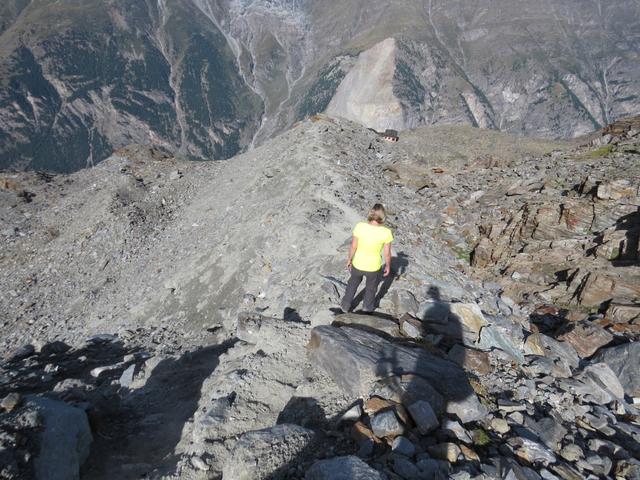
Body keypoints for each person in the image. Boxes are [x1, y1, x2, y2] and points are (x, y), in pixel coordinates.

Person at [340, 203, 393, 313]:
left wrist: (349, 259)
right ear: (383, 216)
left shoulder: (360, 226)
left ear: (371, 213)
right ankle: (367, 308)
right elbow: (387, 253)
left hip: (358, 263)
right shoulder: (386, 232)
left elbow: (353, 246)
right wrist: (388, 265)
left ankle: (345, 305)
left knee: (352, 284)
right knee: (371, 288)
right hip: (373, 267)